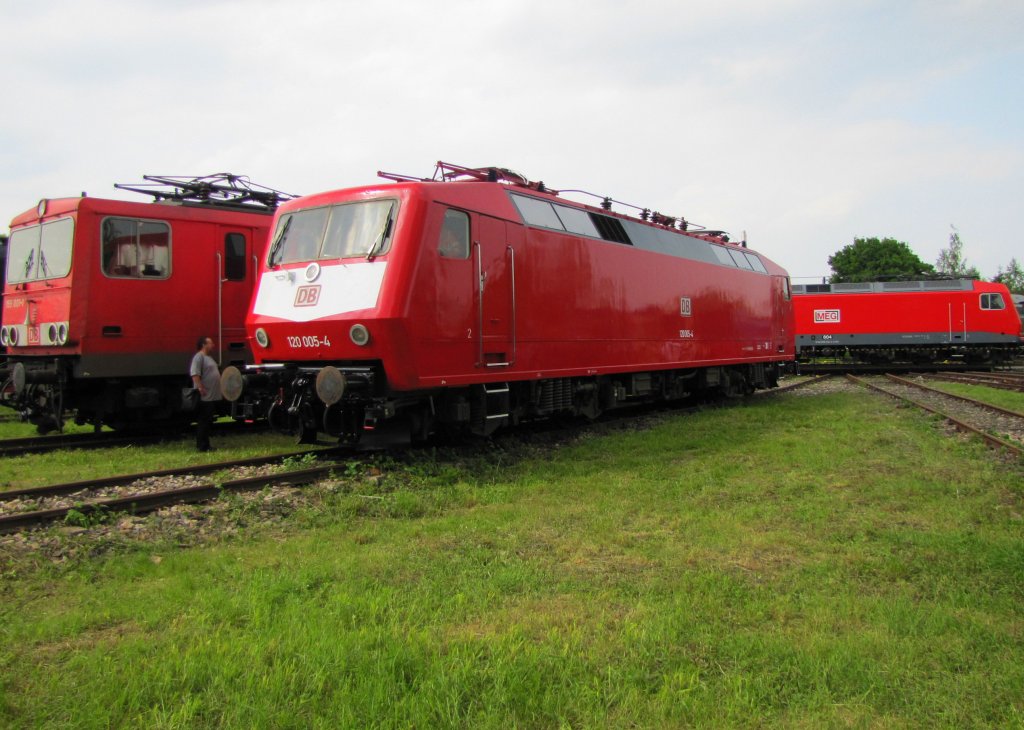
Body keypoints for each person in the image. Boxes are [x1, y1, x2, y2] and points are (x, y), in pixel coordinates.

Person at [190, 336, 221, 452]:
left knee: (207, 421)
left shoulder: (208, 357)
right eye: (210, 343)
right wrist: (200, 387)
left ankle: (206, 444)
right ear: (204, 345)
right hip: (204, 396)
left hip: (210, 396)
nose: (213, 345)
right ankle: (202, 446)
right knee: (203, 421)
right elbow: (195, 373)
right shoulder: (199, 357)